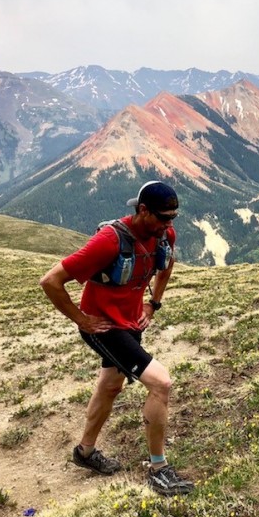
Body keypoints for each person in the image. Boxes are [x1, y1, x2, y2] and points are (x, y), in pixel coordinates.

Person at [39, 180, 194, 496]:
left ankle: (85, 452)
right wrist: (82, 319)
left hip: (131, 325)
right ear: (142, 211)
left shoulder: (162, 235)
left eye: (173, 218)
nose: (169, 225)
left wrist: (154, 303)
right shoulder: (109, 241)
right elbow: (51, 281)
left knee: (110, 386)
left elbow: (166, 266)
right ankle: (159, 469)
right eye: (163, 217)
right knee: (161, 383)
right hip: (106, 329)